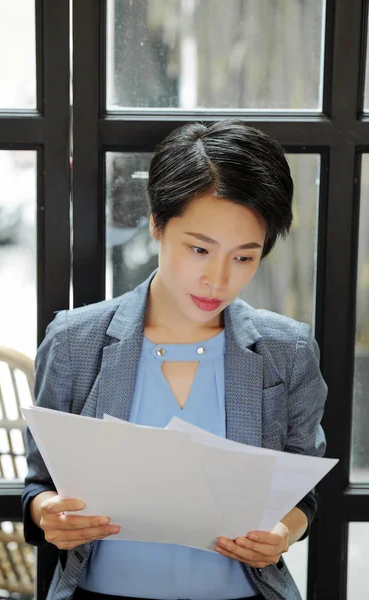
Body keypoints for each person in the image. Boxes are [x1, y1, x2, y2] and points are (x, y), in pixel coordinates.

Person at [22, 120, 328, 600]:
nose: (217, 279)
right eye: (199, 249)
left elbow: (302, 494)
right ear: (157, 224)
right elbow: (39, 484)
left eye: (244, 258)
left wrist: (282, 534)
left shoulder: (287, 351)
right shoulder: (74, 341)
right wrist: (49, 515)